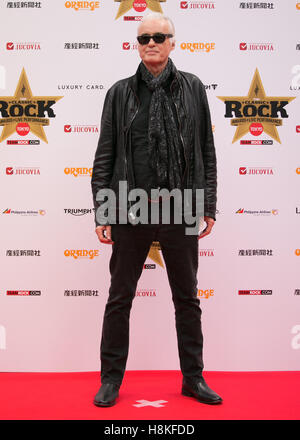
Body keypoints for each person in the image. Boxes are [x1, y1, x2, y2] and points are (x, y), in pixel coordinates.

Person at [91, 12, 222, 407]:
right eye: (144, 36)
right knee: (119, 298)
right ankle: (110, 380)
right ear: (137, 43)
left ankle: (193, 379)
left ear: (172, 41)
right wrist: (102, 210)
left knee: (187, 298)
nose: (152, 42)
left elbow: (207, 152)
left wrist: (209, 204)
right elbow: (105, 155)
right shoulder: (119, 93)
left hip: (181, 206)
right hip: (128, 207)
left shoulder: (193, 88)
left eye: (159, 36)